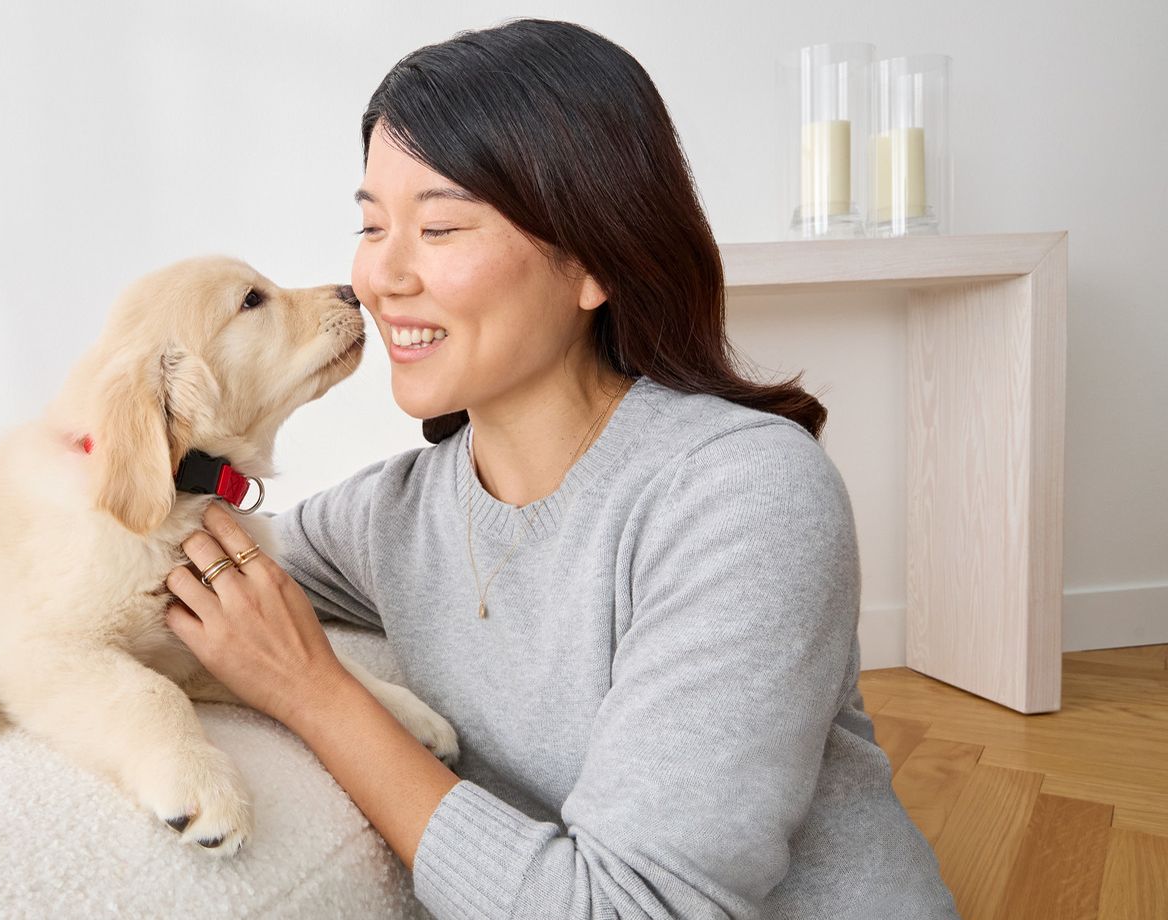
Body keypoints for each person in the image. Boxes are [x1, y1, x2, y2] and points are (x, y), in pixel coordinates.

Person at [162, 17, 961, 919]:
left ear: (592, 259)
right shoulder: (394, 514)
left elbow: (632, 909)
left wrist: (318, 695)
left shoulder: (745, 495)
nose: (378, 277)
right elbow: (176, 563)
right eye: (370, 223)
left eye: (440, 226)